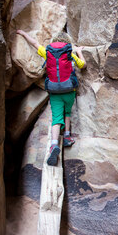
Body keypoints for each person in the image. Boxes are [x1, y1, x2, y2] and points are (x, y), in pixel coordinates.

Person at [16, 29, 86, 166]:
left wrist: (23, 34)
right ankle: (66, 136)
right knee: (67, 112)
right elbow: (83, 65)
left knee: (56, 118)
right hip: (69, 90)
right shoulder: (69, 53)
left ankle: (54, 145)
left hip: (54, 91)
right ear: (67, 42)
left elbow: (35, 44)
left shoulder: (48, 52)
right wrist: (79, 51)